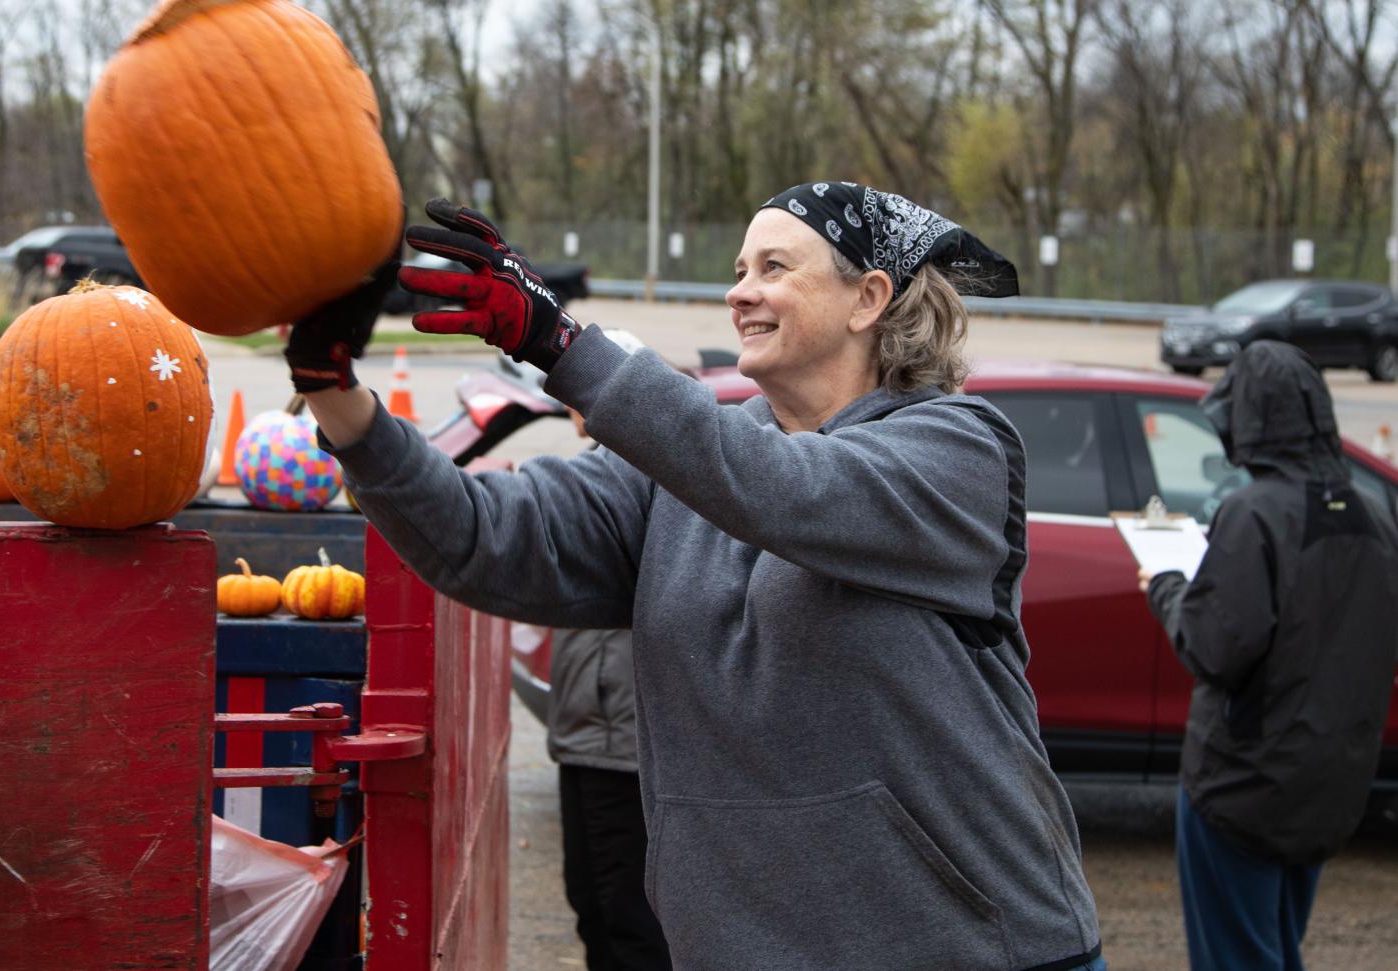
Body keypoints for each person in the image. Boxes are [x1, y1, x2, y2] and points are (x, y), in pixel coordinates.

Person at [284, 186, 1104, 970]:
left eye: (773, 268)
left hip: (968, 950)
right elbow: (486, 537)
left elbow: (784, 490)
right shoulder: (683, 465)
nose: (739, 293)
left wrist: (561, 344)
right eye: (739, 270)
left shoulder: (956, 450)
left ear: (868, 298)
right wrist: (339, 400)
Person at [1136, 340, 1398, 971]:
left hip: (1242, 789)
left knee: (1239, 958)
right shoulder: (1374, 518)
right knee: (1276, 950)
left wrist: (1165, 585)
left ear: (1248, 417)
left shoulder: (1254, 514)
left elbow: (1214, 648)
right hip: (1331, 785)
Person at [549, 328, 673, 971]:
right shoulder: (604, 466)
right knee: (595, 904)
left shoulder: (643, 473)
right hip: (588, 734)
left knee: (625, 922)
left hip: (617, 742)